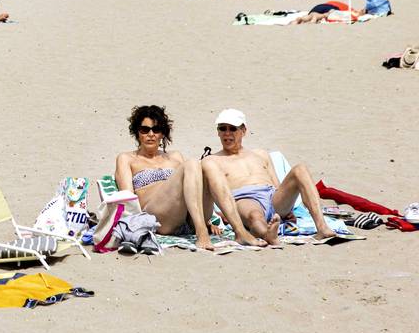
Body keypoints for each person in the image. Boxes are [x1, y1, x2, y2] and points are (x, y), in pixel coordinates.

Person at [201, 109, 337, 244]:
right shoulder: (212, 160)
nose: (227, 133)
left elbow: (277, 185)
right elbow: (213, 195)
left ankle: (322, 227)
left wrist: (288, 207)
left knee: (300, 169)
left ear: (244, 131)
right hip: (244, 198)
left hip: (272, 196)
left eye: (232, 129)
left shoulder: (261, 154)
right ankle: (268, 234)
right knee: (254, 215)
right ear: (218, 132)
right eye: (222, 129)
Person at [114, 105, 215, 250]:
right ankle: (202, 232)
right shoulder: (127, 158)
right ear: (137, 132)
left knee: (204, 164)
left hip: (185, 218)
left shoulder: (174, 156)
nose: (151, 134)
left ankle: (217, 227)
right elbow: (128, 199)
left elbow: (192, 185)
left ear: (162, 134)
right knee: (191, 163)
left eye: (156, 130)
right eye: (145, 129)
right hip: (156, 217)